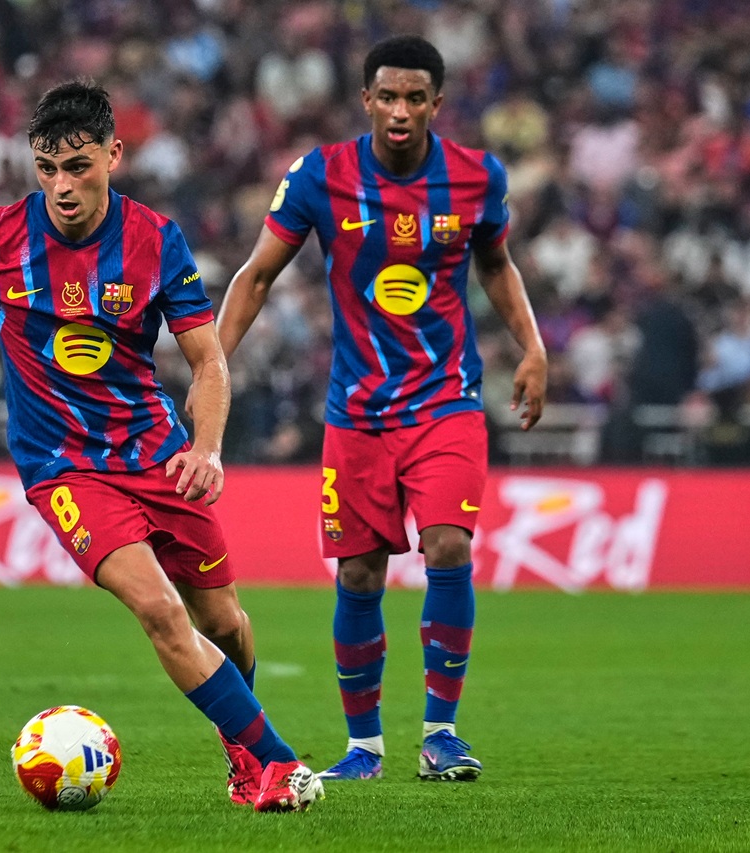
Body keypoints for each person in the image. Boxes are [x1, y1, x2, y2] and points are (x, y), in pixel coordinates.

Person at [0, 81, 323, 812]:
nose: (62, 187)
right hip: (64, 469)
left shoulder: (155, 241)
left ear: (113, 154)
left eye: (77, 166)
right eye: (47, 169)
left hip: (157, 454)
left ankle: (240, 753)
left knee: (224, 623)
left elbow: (208, 360)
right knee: (159, 610)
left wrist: (207, 447)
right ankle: (277, 763)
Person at [211, 36, 547, 782]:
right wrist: (213, 365)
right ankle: (364, 748)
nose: (400, 110)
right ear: (366, 100)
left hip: (445, 401)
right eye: (387, 96)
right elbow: (257, 275)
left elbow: (496, 263)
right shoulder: (320, 175)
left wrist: (532, 346)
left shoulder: (476, 177)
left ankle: (441, 734)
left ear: (436, 103)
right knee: (360, 574)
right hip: (357, 412)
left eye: (414, 98)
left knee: (448, 546)